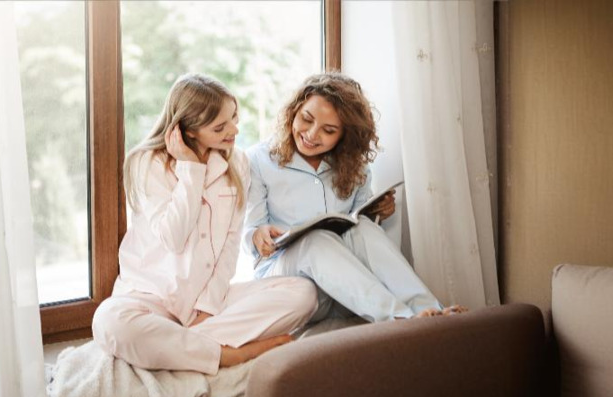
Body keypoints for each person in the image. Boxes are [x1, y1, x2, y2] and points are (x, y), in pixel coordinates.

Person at [91, 74, 317, 375]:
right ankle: (228, 355)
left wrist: (207, 307)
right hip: (150, 299)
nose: (234, 130)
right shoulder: (148, 163)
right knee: (109, 322)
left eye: (234, 118)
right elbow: (173, 237)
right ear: (188, 130)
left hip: (209, 303)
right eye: (220, 127)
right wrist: (191, 169)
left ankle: (176, 348)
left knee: (304, 294)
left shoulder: (237, 163)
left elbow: (231, 244)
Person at [244, 72, 466, 324]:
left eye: (328, 130)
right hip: (287, 282)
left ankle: (429, 311)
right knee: (316, 240)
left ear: (343, 136)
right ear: (294, 111)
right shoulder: (259, 160)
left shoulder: (355, 167)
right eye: (306, 119)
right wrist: (256, 236)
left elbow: (356, 224)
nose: (312, 134)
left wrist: (377, 212)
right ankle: (399, 319)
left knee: (364, 230)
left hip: (344, 288)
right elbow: (248, 230)